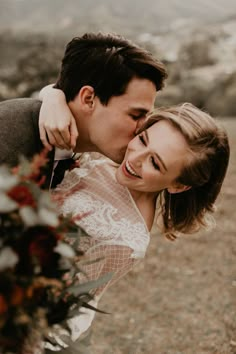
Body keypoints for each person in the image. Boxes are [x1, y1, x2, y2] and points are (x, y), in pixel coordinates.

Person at [43, 103, 229, 353]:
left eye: (155, 163)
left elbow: (65, 300)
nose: (134, 158)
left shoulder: (124, 238)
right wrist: (53, 97)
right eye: (143, 140)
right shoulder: (114, 148)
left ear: (177, 186)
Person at [0, 32, 167, 189]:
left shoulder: (80, 148)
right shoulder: (9, 142)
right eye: (136, 115)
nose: (143, 128)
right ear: (88, 99)